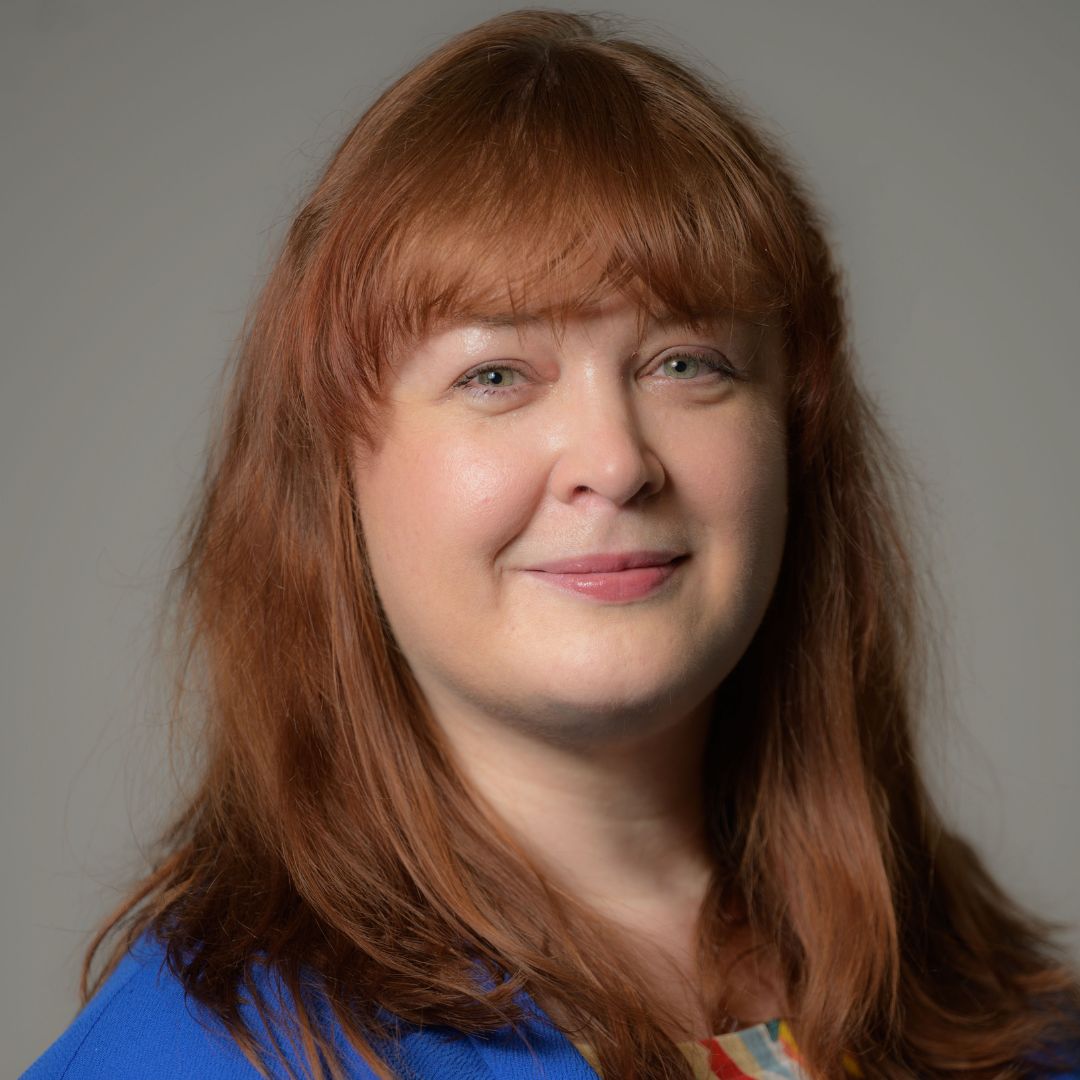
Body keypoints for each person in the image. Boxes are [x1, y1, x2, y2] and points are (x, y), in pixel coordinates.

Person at [22, 8, 1080, 1080]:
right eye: (494, 374)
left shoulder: (1004, 1017)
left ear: (794, 438)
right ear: (331, 472)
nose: (615, 461)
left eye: (687, 362)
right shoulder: (197, 1053)